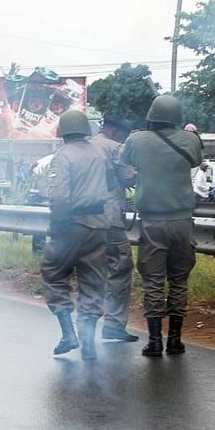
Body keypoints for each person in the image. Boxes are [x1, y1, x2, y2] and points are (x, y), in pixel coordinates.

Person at [121, 95, 204, 357]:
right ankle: (175, 340)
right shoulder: (190, 139)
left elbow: (124, 170)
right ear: (177, 117)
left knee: (153, 281)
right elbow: (196, 162)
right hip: (182, 221)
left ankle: (155, 341)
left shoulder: (136, 140)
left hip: (152, 221)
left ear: (151, 115)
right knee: (179, 279)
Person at [41, 110, 112, 361]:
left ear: (63, 132)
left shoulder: (62, 156)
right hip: (98, 225)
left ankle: (68, 333)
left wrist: (56, 226)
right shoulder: (99, 153)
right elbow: (112, 184)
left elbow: (60, 196)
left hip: (71, 224)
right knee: (93, 281)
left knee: (53, 273)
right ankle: (88, 342)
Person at [90, 118, 140, 343]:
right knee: (120, 267)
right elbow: (129, 176)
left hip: (81, 220)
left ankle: (85, 326)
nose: (123, 138)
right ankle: (113, 323)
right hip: (108, 218)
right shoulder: (113, 148)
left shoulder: (84, 145)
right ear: (113, 130)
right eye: (122, 133)